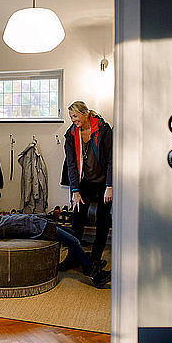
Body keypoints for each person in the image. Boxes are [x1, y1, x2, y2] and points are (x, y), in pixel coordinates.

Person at [0, 213, 110, 289]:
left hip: (40, 222)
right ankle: (94, 274)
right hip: (40, 228)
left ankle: (73, 262)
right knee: (74, 241)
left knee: (73, 234)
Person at [62, 101, 112, 285]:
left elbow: (111, 159)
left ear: (85, 114)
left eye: (75, 116)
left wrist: (110, 185)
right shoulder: (71, 134)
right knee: (77, 218)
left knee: (102, 220)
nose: (73, 120)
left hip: (103, 182)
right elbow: (71, 165)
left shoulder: (103, 130)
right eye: (71, 117)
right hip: (84, 182)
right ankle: (72, 256)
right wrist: (75, 190)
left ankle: (96, 259)